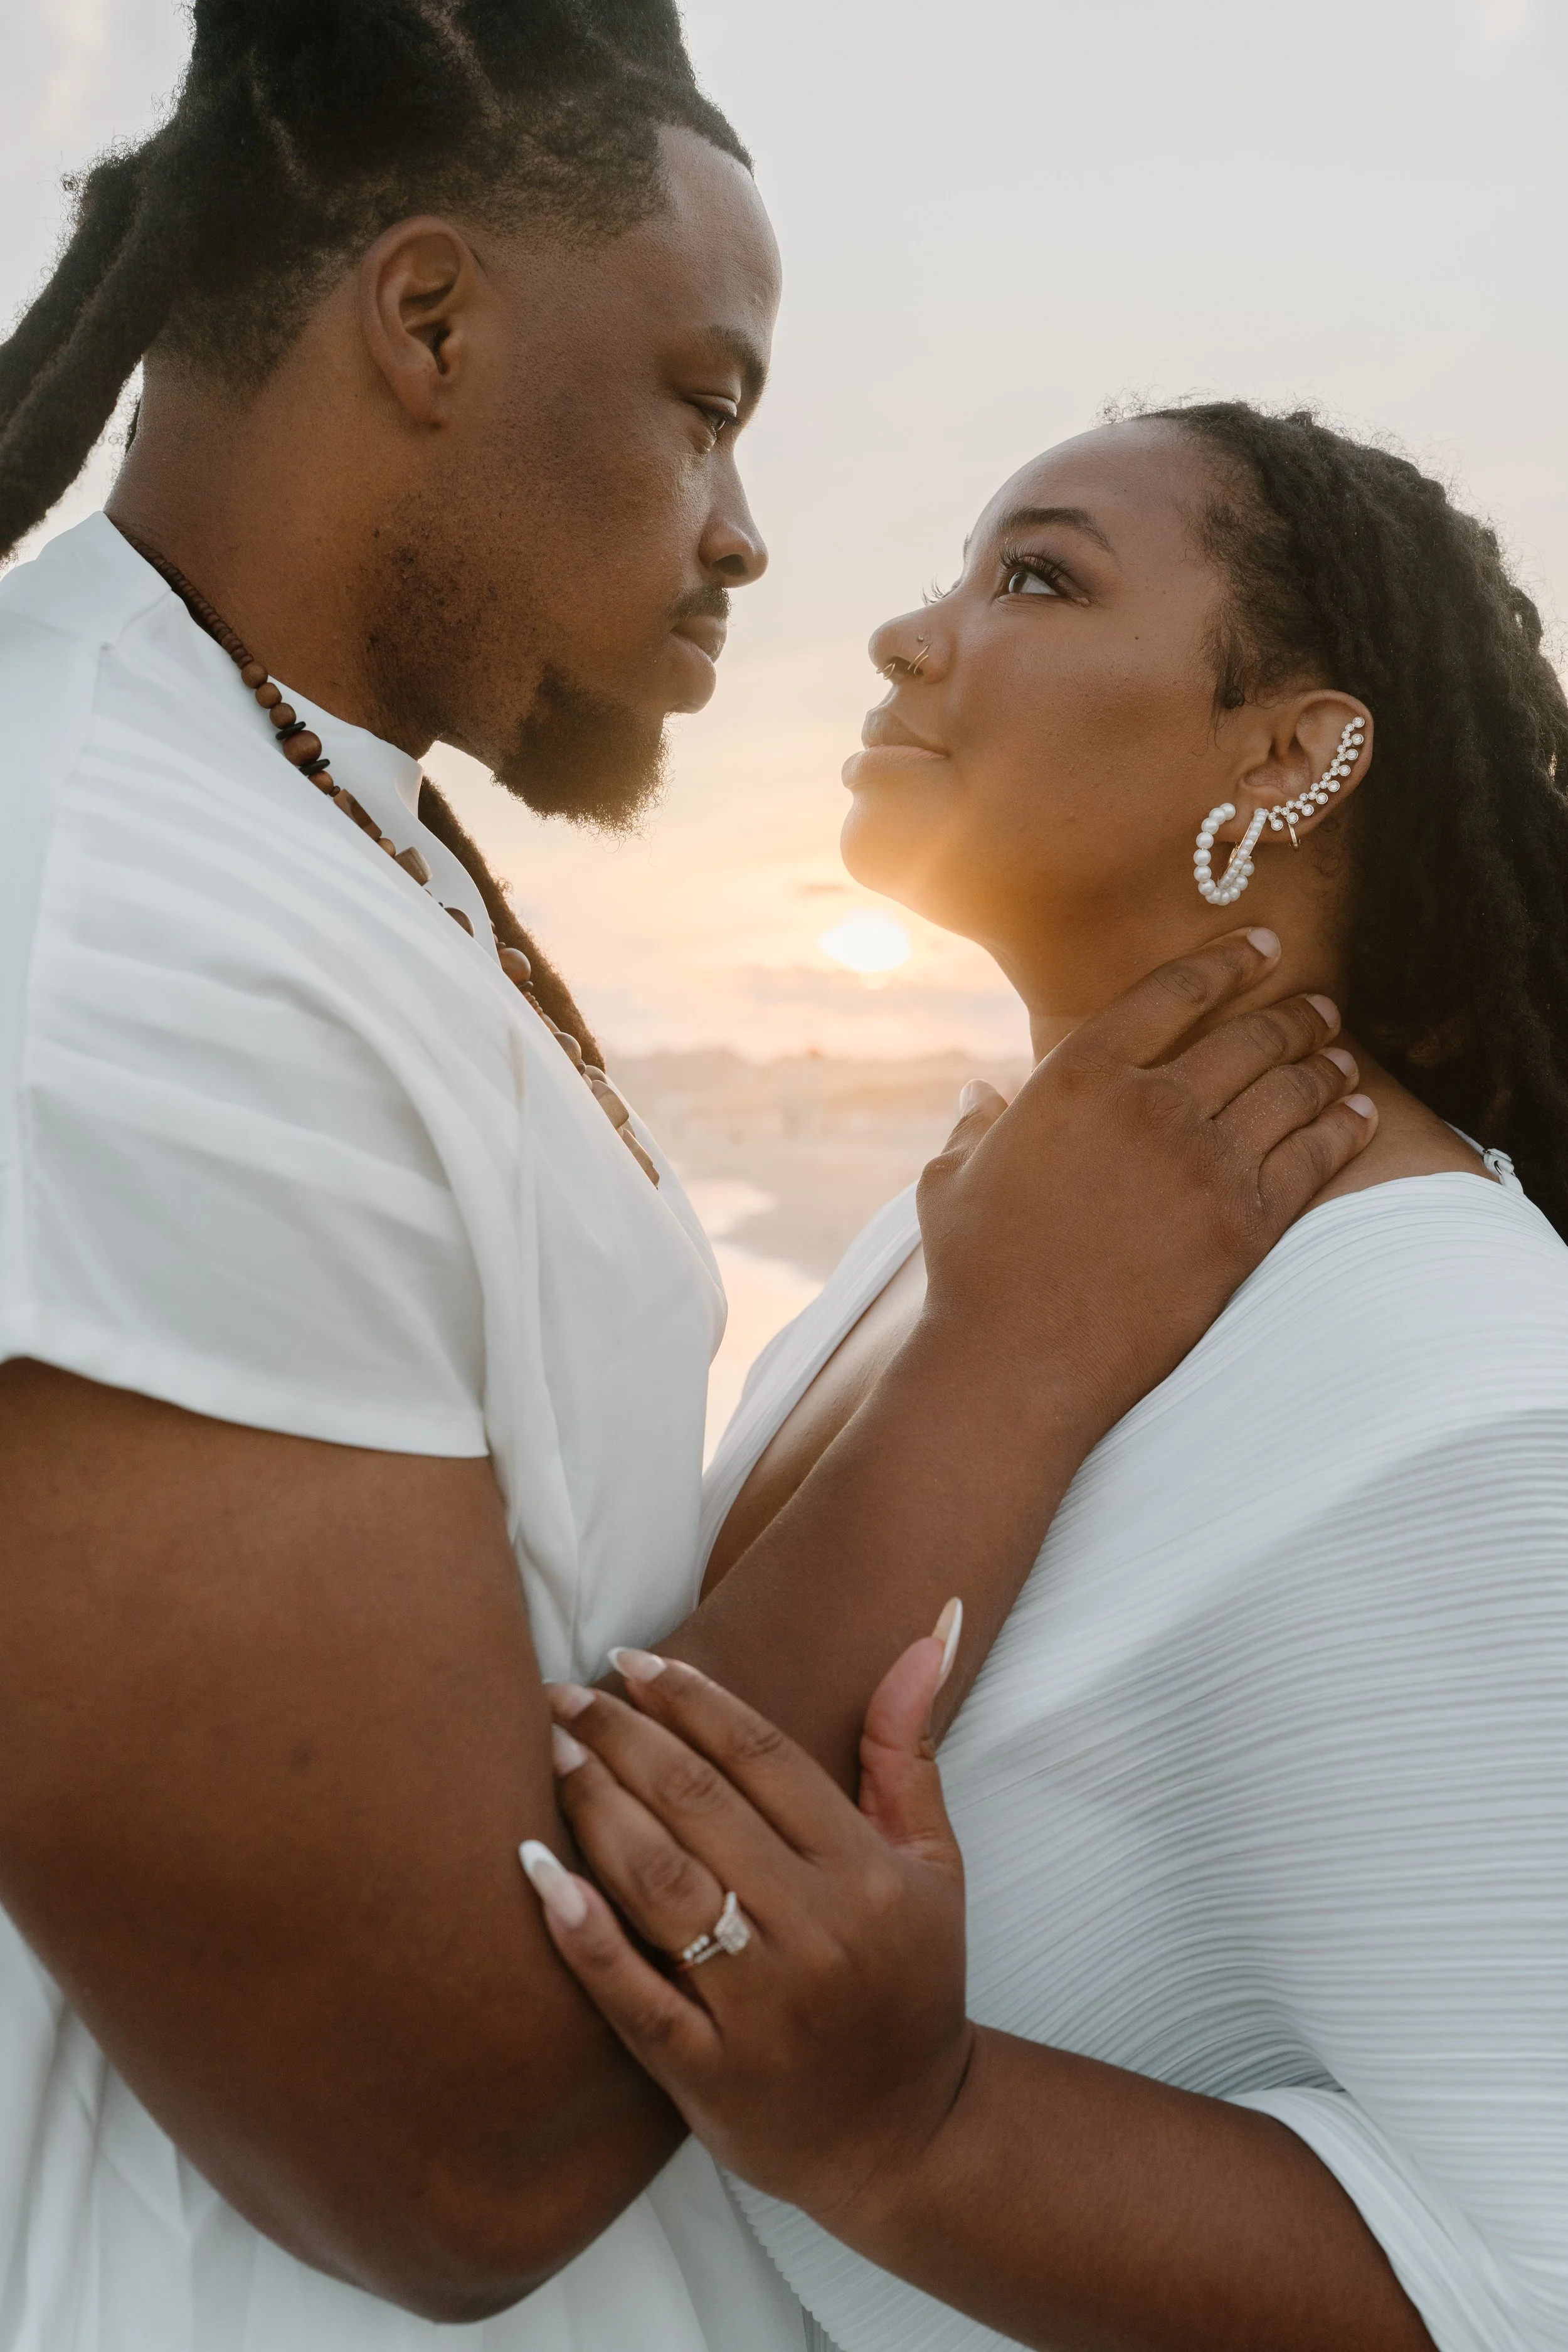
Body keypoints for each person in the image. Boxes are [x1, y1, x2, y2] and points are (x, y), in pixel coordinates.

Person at [0, 11, 1372, 2351]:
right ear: (425, 322)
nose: (747, 531)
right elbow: (452, 2136)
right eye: (704, 399)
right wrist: (1007, 1355)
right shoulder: (112, 922)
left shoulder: (309, 801)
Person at [526, 406, 1568, 2352]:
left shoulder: (1470, 1389)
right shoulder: (984, 1218)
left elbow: (1529, 2279)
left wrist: (910, 2137)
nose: (906, 639)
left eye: (1034, 575)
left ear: (1293, 751)